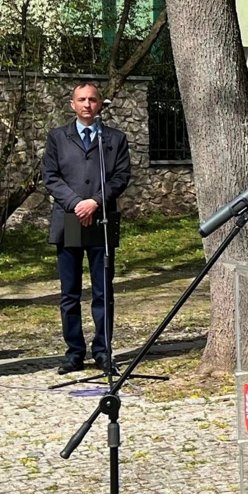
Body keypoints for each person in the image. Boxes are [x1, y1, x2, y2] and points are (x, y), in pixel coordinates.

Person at [42, 82, 131, 375]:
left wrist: (95, 202)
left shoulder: (114, 138)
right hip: (69, 218)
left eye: (92, 100)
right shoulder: (57, 137)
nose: (87, 105)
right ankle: (74, 352)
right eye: (82, 100)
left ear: (100, 104)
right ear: (72, 104)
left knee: (103, 291)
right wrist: (77, 203)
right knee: (70, 293)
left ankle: (103, 351)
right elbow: (51, 176)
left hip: (101, 219)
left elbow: (120, 177)